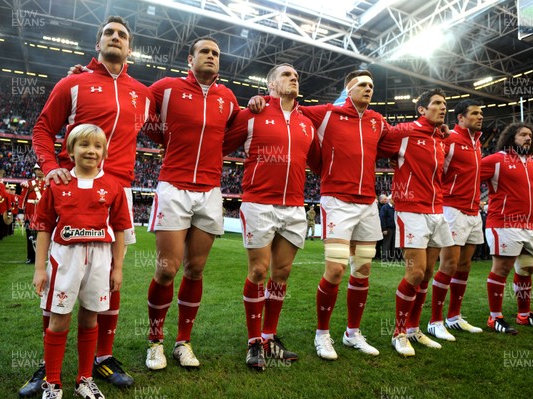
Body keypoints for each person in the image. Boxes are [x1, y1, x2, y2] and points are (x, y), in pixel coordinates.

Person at [24, 15, 151, 396]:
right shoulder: (73, 82)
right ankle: (50, 368)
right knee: (58, 278)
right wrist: (50, 169)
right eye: (108, 33)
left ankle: (101, 360)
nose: (115, 38)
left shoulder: (143, 94)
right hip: (71, 188)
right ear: (98, 43)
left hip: (116, 193)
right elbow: (42, 129)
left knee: (108, 278)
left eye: (122, 35)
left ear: (130, 48)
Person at [271, 69, 383, 361]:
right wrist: (262, 100)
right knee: (335, 271)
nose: (368, 88)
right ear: (348, 88)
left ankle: (352, 333)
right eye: (361, 84)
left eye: (371, 85)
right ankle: (322, 334)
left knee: (362, 271)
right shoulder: (328, 114)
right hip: (337, 201)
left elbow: (396, 141)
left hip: (368, 204)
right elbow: (290, 106)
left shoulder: (377, 121)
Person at [144, 37, 240, 370]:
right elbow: (136, 106)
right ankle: (155, 341)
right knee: (167, 269)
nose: (211, 56)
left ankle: (183, 342)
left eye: (216, 53)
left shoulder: (227, 98)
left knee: (195, 269)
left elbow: (235, 132)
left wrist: (258, 103)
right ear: (190, 59)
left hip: (211, 191)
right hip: (173, 186)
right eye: (205, 52)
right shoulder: (166, 88)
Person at [223, 63, 320, 369]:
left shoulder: (307, 122)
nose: (294, 77)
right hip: (259, 203)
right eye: (287, 75)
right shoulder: (253, 113)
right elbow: (220, 143)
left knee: (281, 274)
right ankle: (253, 343)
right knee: (258, 272)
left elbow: (318, 161)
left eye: (296, 74)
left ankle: (269, 336)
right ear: (272, 85)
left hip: (294, 206)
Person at [32, 124, 130, 399]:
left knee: (90, 318)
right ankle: (52, 382)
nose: (91, 151)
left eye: (98, 146)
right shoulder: (57, 184)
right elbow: (43, 227)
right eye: (84, 145)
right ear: (71, 150)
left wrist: (118, 267)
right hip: (66, 258)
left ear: (104, 153)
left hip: (100, 258)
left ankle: (84, 379)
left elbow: (120, 228)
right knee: (59, 317)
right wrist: (40, 268)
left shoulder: (113, 186)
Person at [377, 88, 452, 357]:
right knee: (415, 273)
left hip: (437, 211)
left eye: (444, 104)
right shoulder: (405, 132)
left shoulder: (441, 139)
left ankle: (413, 329)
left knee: (428, 274)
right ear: (421, 109)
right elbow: (377, 139)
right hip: (411, 210)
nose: (442, 108)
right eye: (436, 104)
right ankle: (398, 332)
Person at [480, 122, 533, 334]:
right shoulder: (496, 160)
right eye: (523, 135)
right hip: (503, 223)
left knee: (527, 269)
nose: (528, 138)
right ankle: (494, 317)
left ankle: (524, 314)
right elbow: (470, 176)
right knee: (502, 269)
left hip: (529, 226)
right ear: (511, 138)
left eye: (530, 135)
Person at [427, 99, 485, 341]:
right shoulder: (449, 139)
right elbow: (434, 168)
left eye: (481, 113)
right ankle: (435, 321)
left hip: (474, 211)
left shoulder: (477, 142)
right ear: (460, 118)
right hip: (452, 209)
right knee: (448, 265)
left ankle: (454, 317)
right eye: (474, 113)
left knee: (464, 267)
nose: (480, 116)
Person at [18, 164, 47, 265]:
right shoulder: (29, 183)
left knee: (43, 236)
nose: (39, 171)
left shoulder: (49, 183)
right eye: (37, 169)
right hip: (30, 213)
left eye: (41, 169)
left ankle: (42, 258)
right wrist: (21, 212)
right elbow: (23, 198)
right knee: (30, 236)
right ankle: (31, 257)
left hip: (44, 214)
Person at [380, 195, 397, 261]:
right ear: (390, 199)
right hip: (388, 228)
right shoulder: (385, 207)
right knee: (386, 243)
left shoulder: (394, 207)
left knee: (393, 243)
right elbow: (382, 218)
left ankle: (392, 257)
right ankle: (385, 257)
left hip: (394, 228)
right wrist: (384, 229)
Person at [375, 194, 388, 259]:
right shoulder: (377, 206)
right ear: (381, 200)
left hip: (382, 226)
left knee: (382, 241)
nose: (386, 200)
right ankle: (376, 254)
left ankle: (379, 255)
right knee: (378, 242)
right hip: (378, 225)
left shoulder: (385, 206)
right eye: (385, 199)